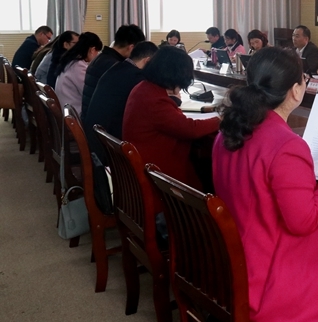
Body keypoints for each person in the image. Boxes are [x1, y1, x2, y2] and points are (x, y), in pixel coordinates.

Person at [213, 47, 318, 322]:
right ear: (296, 90)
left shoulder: (228, 130)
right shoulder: (287, 146)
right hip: (269, 283)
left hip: (233, 266)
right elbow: (303, 221)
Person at [123, 46, 220, 188]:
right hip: (156, 175)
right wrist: (220, 120)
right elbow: (191, 129)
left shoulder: (143, 88)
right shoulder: (155, 100)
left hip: (144, 164)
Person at [83, 41, 158, 214]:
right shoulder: (136, 78)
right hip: (109, 152)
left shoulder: (119, 68)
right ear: (147, 61)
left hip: (98, 140)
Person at [81, 24, 145, 120]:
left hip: (90, 118)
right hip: (100, 123)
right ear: (131, 47)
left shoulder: (101, 58)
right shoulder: (115, 66)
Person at [55, 32, 103, 116]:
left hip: (67, 111)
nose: (97, 55)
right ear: (92, 50)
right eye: (97, 52)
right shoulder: (78, 66)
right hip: (74, 115)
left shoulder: (70, 61)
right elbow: (89, 93)